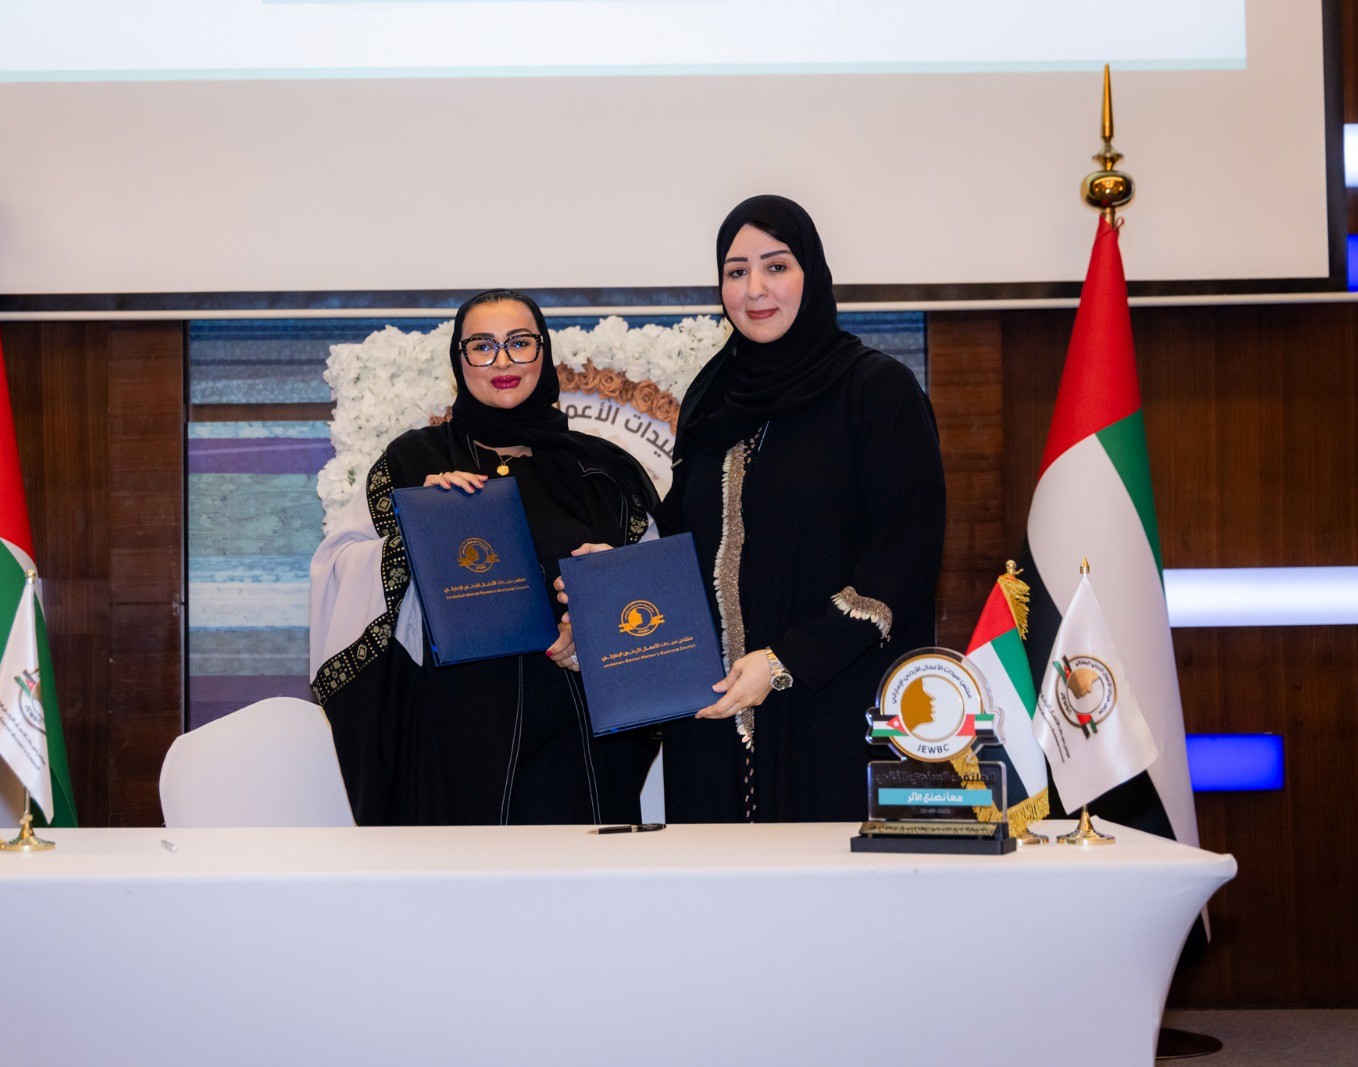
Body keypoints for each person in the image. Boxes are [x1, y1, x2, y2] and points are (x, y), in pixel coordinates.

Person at [309, 289, 661, 825]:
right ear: (460, 359)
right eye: (482, 345)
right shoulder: (412, 460)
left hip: (576, 733)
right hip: (449, 731)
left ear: (543, 351)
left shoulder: (605, 472)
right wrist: (423, 527)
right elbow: (340, 571)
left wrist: (603, 609)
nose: (502, 361)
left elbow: (662, 599)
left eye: (519, 343)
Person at [657, 194, 946, 822]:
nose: (755, 289)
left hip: (834, 708)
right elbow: (681, 539)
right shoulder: (710, 399)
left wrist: (785, 660)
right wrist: (611, 578)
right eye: (736, 271)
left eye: (776, 266)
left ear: (810, 273)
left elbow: (905, 555)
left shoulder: (875, 389)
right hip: (713, 720)